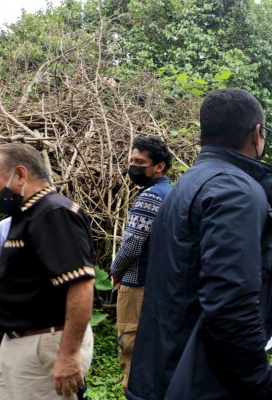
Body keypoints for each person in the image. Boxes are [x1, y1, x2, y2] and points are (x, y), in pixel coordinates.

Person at [126, 88, 272, 400]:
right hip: (203, 381)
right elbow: (231, 304)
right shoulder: (235, 191)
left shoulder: (187, 183)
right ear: (257, 134)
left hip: (165, 370)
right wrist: (262, 383)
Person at [0, 143, 95, 400]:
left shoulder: (54, 213)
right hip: (25, 345)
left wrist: (69, 355)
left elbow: (81, 284)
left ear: (20, 174)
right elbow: (42, 277)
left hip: (45, 346)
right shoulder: (28, 215)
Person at [110, 136, 173, 389]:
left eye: (140, 162)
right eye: (132, 160)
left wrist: (115, 271)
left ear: (159, 166)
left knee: (131, 346)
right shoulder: (170, 192)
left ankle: (134, 390)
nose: (133, 166)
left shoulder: (150, 196)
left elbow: (133, 243)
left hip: (137, 284)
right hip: (159, 284)